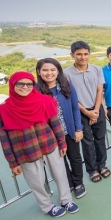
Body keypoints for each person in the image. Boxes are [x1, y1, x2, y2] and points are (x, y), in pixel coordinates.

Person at [0, 71, 79, 217]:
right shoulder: (4, 110)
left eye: (29, 84)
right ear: (12, 85)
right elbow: (4, 139)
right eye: (20, 83)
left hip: (49, 144)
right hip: (26, 150)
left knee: (60, 174)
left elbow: (55, 123)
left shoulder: (44, 100)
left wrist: (62, 143)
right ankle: (47, 206)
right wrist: (13, 163)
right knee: (36, 181)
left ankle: (66, 200)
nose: (25, 87)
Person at [36, 58, 87, 199]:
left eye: (53, 69)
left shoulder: (65, 85)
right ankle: (68, 183)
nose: (49, 73)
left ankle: (78, 183)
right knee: (59, 162)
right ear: (39, 72)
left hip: (69, 131)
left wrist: (78, 128)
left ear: (58, 71)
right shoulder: (36, 91)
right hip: (51, 135)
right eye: (45, 70)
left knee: (75, 158)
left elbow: (75, 108)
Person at [64, 41, 110, 183]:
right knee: (87, 142)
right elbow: (70, 96)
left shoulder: (96, 69)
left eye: (85, 54)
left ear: (89, 54)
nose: (82, 57)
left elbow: (99, 90)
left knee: (100, 139)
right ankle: (92, 169)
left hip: (97, 109)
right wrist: (87, 112)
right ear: (72, 55)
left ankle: (102, 165)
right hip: (80, 112)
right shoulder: (66, 74)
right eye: (78, 54)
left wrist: (96, 110)